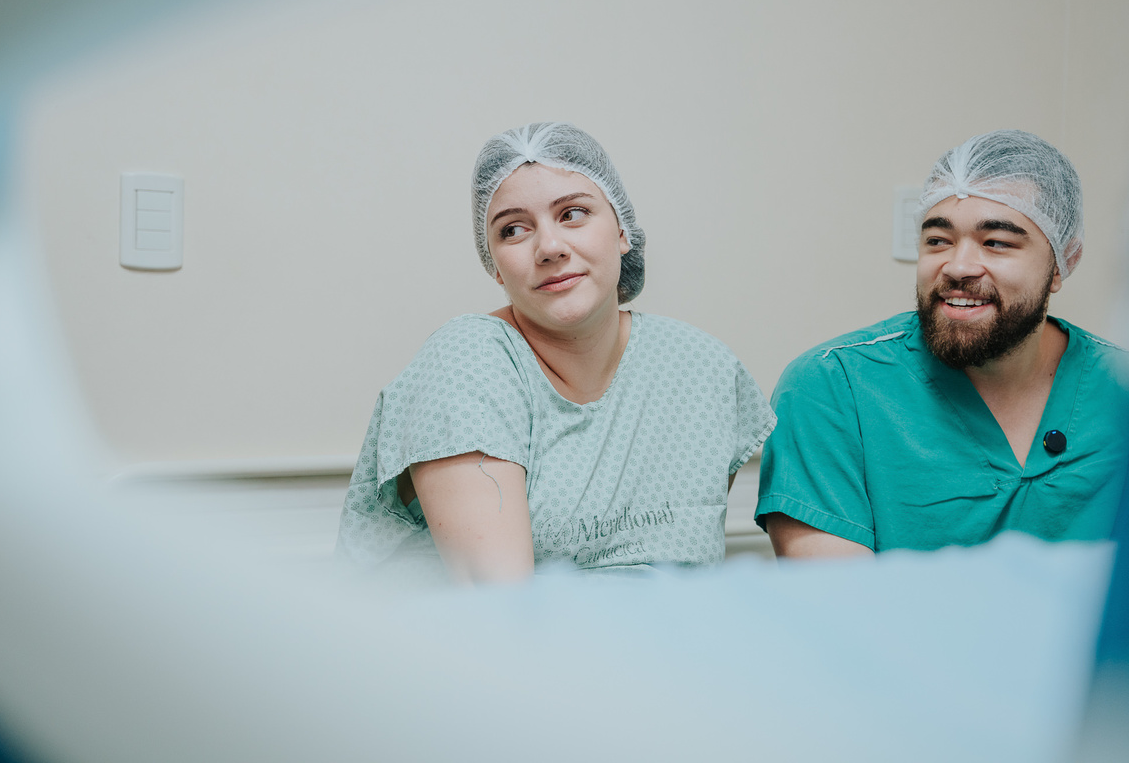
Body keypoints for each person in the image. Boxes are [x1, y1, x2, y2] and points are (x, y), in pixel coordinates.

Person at [336, 122, 775, 581]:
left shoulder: (700, 370)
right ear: (496, 269)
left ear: (622, 231)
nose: (549, 247)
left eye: (573, 214)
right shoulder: (466, 363)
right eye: (514, 229)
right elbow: (500, 610)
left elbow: (692, 579)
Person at [755, 129, 1129, 557]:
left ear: (1064, 262)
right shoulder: (833, 388)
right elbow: (840, 608)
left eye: (997, 243)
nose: (958, 266)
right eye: (938, 240)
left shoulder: (1118, 388)